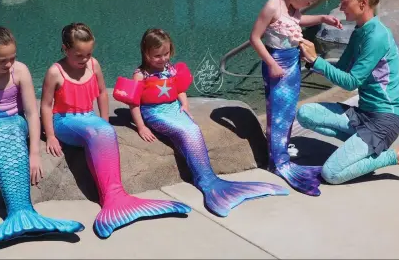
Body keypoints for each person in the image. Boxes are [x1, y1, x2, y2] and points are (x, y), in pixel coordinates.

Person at [113, 28, 289, 218]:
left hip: (173, 107)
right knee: (184, 130)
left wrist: (185, 104)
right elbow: (134, 103)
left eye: (166, 53)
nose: (163, 59)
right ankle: (206, 181)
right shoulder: (141, 75)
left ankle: (207, 178)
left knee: (193, 129)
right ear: (145, 53)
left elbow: (178, 88)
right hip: (154, 112)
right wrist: (141, 126)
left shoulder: (169, 68)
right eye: (157, 56)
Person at [40, 23, 191, 239]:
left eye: (88, 53)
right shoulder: (55, 71)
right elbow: (46, 105)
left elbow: (102, 93)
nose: (84, 59)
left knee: (104, 132)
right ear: (65, 49)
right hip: (64, 120)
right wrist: (51, 136)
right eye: (78, 55)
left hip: (88, 117)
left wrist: (104, 120)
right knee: (96, 133)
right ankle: (112, 200)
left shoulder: (93, 65)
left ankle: (117, 197)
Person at [0, 26, 84, 247]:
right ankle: (18, 215)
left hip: (16, 124)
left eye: (12, 58)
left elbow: (32, 112)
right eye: (2, 60)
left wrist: (34, 153)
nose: (9, 65)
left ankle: (23, 212)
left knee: (12, 127)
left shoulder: (20, 71)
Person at [297, 0, 399, 186]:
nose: (340, 6)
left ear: (362, 3)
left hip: (383, 121)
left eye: (345, 1)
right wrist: (311, 62)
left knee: (332, 174)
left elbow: (351, 82)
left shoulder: (377, 36)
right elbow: (341, 69)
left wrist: (316, 60)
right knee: (305, 114)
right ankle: (360, 148)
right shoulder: (360, 31)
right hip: (362, 115)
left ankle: (396, 156)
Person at [249, 0, 343, 196]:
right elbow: (254, 38)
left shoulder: (292, 5)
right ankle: (277, 162)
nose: (305, 7)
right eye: (308, 2)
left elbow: (297, 22)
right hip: (278, 64)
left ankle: (280, 150)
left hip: (292, 63)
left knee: (288, 111)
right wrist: (271, 63)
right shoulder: (273, 6)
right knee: (278, 113)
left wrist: (321, 18)